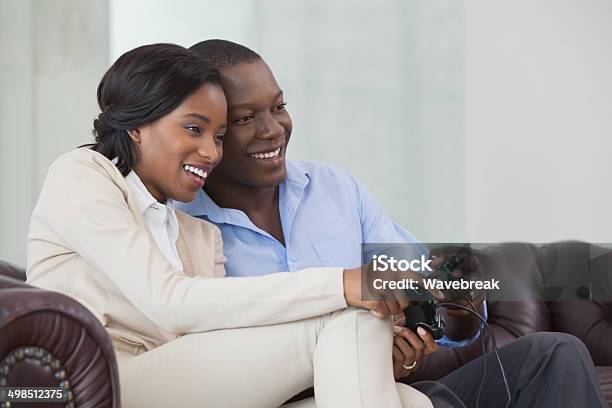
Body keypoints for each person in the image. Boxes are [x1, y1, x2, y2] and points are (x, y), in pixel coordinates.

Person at [176, 39, 608, 408]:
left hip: (399, 391)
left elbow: (429, 289)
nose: (273, 129)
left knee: (554, 352)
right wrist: (366, 362)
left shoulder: (335, 189)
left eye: (279, 106)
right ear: (207, 129)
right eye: (245, 118)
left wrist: (453, 306)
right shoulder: (183, 229)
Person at [26, 43, 434, 408]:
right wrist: (341, 285)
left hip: (185, 387)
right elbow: (169, 303)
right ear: (136, 125)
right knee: (347, 314)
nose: (210, 152)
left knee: (411, 401)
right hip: (99, 384)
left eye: (219, 136)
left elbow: (221, 339)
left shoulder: (200, 235)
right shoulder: (82, 175)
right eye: (193, 128)